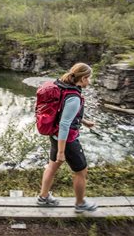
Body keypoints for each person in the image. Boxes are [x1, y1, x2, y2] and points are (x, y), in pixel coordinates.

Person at [37, 62, 98, 213]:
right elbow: (64, 124)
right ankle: (80, 203)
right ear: (83, 78)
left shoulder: (62, 85)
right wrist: (61, 152)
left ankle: (43, 197)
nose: (89, 82)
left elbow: (62, 112)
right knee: (81, 172)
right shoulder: (74, 97)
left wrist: (84, 121)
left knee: (52, 166)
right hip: (67, 140)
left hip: (55, 135)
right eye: (89, 78)